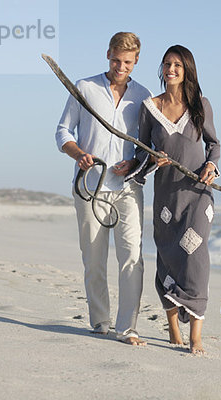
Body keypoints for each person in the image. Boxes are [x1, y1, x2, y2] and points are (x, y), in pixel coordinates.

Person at [55, 32, 151, 346]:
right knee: (94, 260)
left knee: (132, 258)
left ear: (136, 61)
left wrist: (135, 162)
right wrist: (78, 154)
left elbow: (146, 145)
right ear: (107, 54)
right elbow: (63, 130)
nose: (119, 66)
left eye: (127, 61)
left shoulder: (144, 96)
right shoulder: (85, 88)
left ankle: (128, 328)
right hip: (88, 188)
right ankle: (100, 323)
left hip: (127, 188)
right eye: (115, 59)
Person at [133, 45, 221, 354]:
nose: (171, 69)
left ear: (187, 71)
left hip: (198, 193)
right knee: (168, 258)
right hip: (166, 196)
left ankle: (196, 334)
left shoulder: (201, 105)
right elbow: (140, 151)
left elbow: (214, 144)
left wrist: (211, 165)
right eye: (167, 64)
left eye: (177, 65)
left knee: (196, 259)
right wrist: (151, 160)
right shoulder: (149, 107)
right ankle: (173, 326)